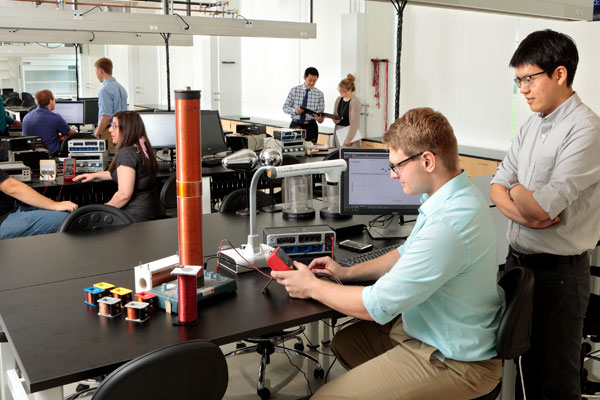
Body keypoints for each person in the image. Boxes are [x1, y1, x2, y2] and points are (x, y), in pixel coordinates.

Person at [272, 107, 504, 399]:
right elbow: (406, 252)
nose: (393, 176)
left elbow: (375, 306)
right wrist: (346, 271)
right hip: (431, 333)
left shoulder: (449, 223)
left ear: (428, 161)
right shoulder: (457, 195)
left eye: (396, 166)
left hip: (456, 362)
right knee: (347, 344)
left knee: (323, 397)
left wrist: (312, 286)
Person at [490, 29, 600, 400]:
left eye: (529, 78)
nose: (522, 88)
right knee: (516, 374)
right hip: (517, 265)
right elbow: (496, 187)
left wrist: (517, 192)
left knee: (552, 381)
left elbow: (536, 203)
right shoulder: (530, 126)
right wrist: (528, 213)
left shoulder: (586, 129)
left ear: (560, 74)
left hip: (560, 277)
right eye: (518, 80)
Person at [74, 111, 159, 222]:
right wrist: (94, 175)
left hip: (135, 217)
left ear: (126, 129)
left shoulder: (126, 153)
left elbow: (123, 195)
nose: (110, 130)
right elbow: (122, 174)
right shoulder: (142, 147)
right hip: (151, 211)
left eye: (114, 126)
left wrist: (102, 210)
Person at [0, 170, 77, 239]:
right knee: (71, 220)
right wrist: (54, 205)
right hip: (3, 220)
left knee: (68, 213)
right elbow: (12, 187)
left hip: (10, 210)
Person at [21, 90, 76, 156]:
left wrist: (55, 135)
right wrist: (75, 131)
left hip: (30, 156)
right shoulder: (55, 117)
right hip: (49, 157)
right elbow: (71, 134)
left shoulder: (27, 117)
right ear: (50, 101)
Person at [282, 66, 325, 143]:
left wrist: (320, 119)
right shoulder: (294, 90)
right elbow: (285, 107)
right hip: (296, 125)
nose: (312, 83)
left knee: (311, 152)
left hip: (311, 127)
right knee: (293, 150)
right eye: (310, 80)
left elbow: (320, 115)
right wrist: (295, 111)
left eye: (314, 81)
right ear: (304, 78)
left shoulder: (319, 94)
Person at [93, 58, 128, 148]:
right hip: (123, 131)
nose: (96, 74)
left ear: (100, 71)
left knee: (108, 159)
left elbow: (106, 116)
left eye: (95, 71)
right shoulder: (121, 88)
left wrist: (97, 132)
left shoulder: (105, 90)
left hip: (109, 132)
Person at [332, 74, 361, 148]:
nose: (341, 93)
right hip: (338, 131)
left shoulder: (355, 101)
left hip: (349, 133)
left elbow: (354, 123)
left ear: (350, 90)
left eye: (343, 91)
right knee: (338, 155)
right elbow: (334, 115)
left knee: (347, 157)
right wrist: (335, 120)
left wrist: (348, 139)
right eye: (340, 90)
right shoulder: (338, 99)